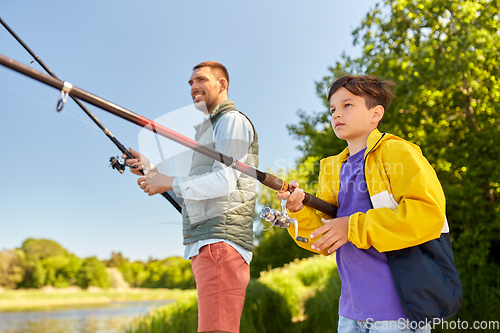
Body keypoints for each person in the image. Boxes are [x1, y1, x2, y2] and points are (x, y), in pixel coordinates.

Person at [278, 74, 461, 332]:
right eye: (332, 109)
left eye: (347, 105)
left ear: (375, 114)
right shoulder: (332, 170)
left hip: (397, 314)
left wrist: (352, 227)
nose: (336, 114)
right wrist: (298, 211)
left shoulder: (398, 152)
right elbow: (323, 238)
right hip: (350, 314)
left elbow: (428, 213)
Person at [124, 61, 259, 333]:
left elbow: (225, 180)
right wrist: (153, 173)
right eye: (190, 83)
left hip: (219, 244)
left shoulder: (231, 121)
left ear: (222, 85)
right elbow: (195, 196)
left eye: (201, 80)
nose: (193, 87)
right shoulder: (209, 131)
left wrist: (168, 181)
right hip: (209, 245)